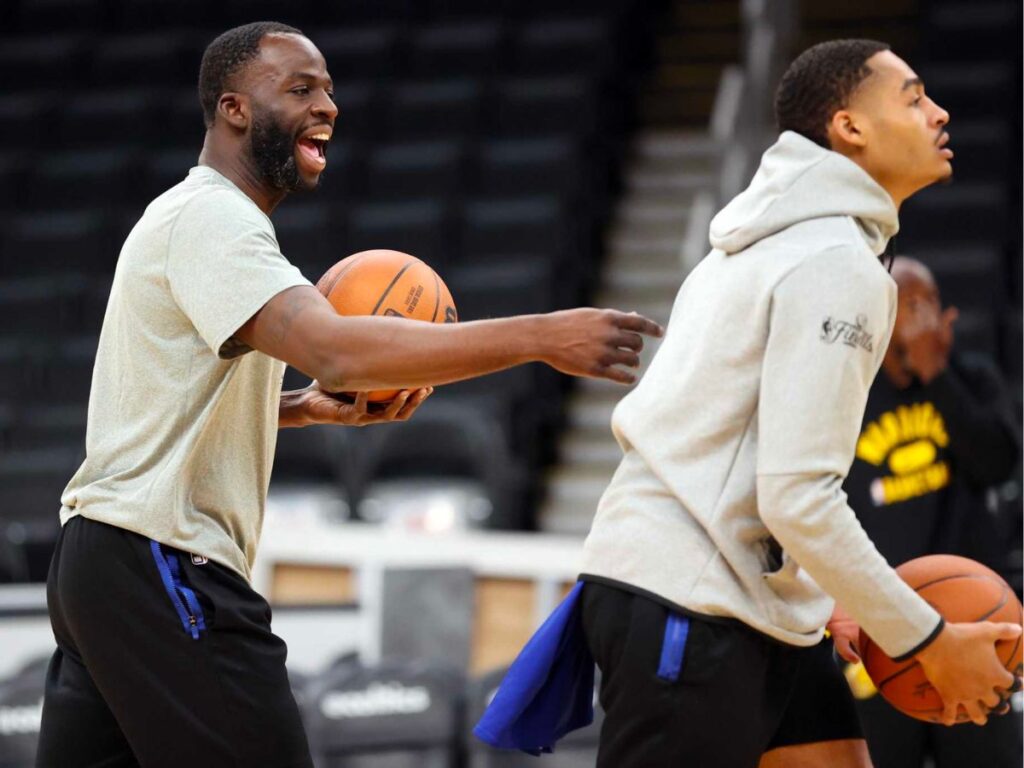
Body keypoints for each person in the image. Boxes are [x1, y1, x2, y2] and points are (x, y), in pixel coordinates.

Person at [35, 21, 662, 768]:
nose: (328, 105)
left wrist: (303, 408)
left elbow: (161, 395)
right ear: (234, 108)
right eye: (301, 89)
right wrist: (540, 335)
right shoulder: (213, 221)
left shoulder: (199, 223)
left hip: (100, 560)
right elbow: (334, 347)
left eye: (330, 89)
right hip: (160, 560)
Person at [575, 39, 1020, 768]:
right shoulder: (833, 262)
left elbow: (743, 454)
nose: (939, 112)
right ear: (850, 128)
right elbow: (797, 496)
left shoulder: (768, 243)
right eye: (913, 97)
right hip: (691, 597)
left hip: (751, 601)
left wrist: (822, 590)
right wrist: (926, 638)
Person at [841, 256, 1022, 768]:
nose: (925, 317)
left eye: (931, 303)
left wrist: (935, 374)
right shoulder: (848, 398)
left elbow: (997, 463)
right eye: (909, 305)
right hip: (882, 636)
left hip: (970, 628)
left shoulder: (972, 377)